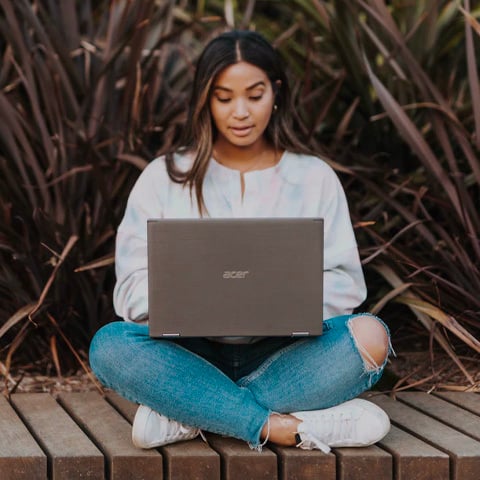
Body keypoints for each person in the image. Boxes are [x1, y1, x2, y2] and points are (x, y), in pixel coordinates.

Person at [89, 30, 392, 453]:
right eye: (224, 97)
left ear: (276, 92)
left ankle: (191, 412)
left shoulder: (313, 176)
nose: (241, 112)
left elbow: (346, 284)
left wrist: (278, 304)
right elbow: (130, 288)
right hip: (187, 354)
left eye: (255, 94)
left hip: (286, 356)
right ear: (204, 100)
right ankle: (279, 425)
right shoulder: (164, 176)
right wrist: (196, 303)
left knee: (371, 335)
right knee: (109, 346)